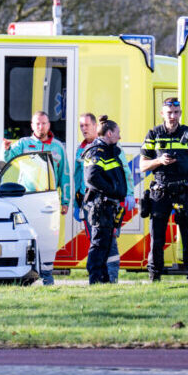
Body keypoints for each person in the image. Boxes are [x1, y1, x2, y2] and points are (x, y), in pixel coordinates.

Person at [141, 97, 188, 282]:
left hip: (183, 189)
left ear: (180, 114)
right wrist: (159, 161)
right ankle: (154, 277)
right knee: (157, 238)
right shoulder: (154, 133)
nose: (173, 116)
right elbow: (142, 165)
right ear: (162, 113)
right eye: (169, 112)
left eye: (176, 112)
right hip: (160, 190)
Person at [3, 111, 69, 285]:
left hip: (48, 200)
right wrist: (6, 148)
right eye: (37, 124)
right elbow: (8, 159)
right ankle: (26, 274)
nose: (41, 127)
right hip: (26, 199)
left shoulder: (58, 147)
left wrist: (65, 201)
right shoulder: (24, 143)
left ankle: (47, 276)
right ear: (32, 126)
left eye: (44, 123)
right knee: (26, 237)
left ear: (49, 124)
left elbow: (65, 175)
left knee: (47, 238)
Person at [75, 112, 132, 281]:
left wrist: (125, 193)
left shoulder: (111, 151)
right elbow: (91, 178)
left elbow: (122, 173)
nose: (119, 135)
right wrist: (113, 190)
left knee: (106, 245)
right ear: (109, 133)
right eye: (117, 132)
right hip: (99, 205)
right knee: (99, 244)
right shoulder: (95, 151)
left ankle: (105, 279)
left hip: (110, 206)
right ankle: (95, 278)